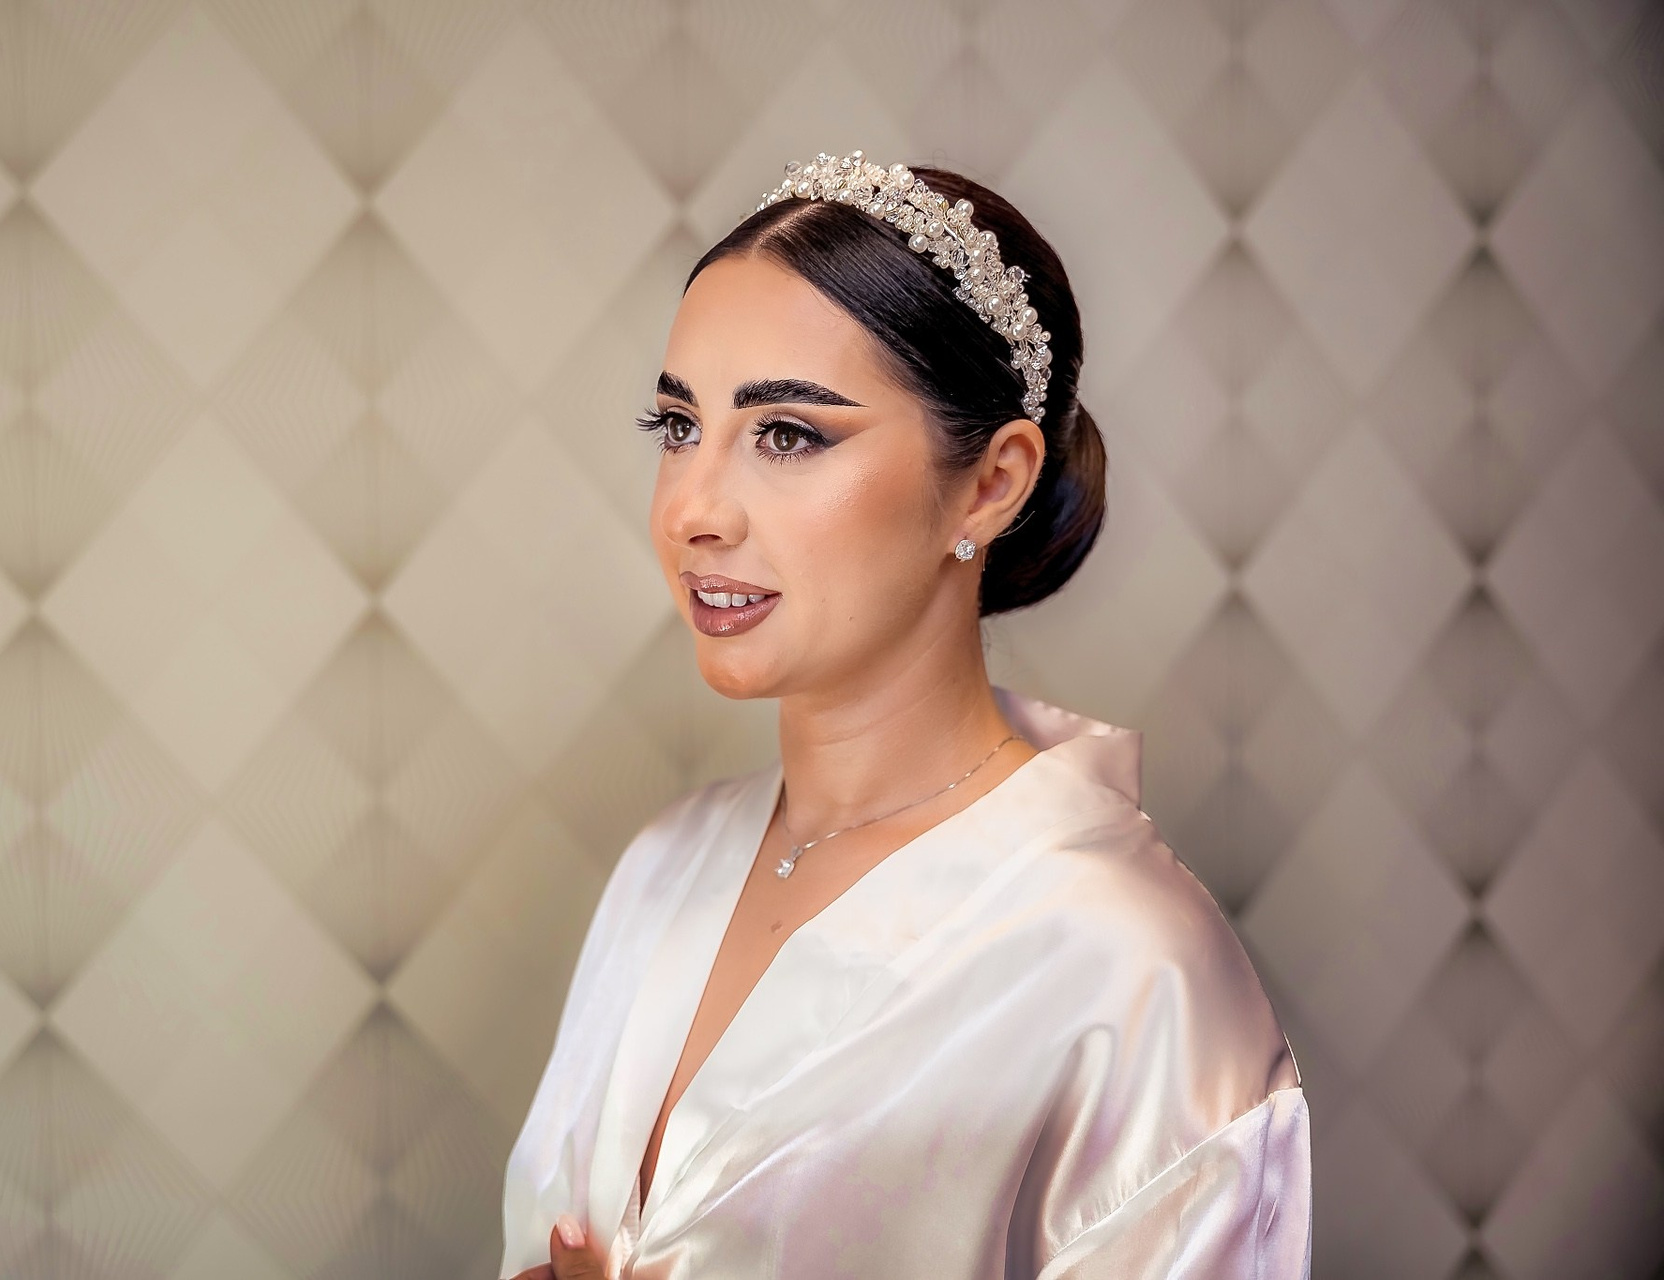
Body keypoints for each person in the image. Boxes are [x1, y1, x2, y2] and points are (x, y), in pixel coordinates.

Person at [500, 152, 1310, 1279]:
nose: (692, 509)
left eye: (787, 434)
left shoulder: (1134, 969)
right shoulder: (662, 869)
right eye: (678, 425)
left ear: (991, 482)